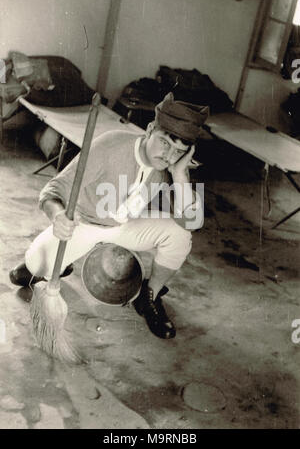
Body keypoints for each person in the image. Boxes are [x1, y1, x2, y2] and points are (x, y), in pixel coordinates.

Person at [9, 92, 208, 340]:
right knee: (31, 267)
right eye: (165, 143)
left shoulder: (171, 166)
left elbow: (191, 223)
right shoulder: (111, 145)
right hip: (85, 223)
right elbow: (53, 190)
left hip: (126, 225)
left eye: (179, 151)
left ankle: (150, 297)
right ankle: (58, 262)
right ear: (149, 130)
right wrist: (58, 215)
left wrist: (180, 174)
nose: (168, 155)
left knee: (180, 235)